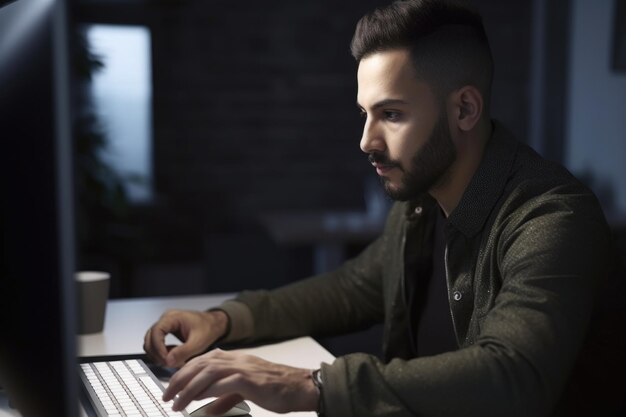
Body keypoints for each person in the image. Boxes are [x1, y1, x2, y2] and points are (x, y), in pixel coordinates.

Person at [144, 1, 624, 416]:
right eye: (365, 114)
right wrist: (225, 320)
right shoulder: (421, 201)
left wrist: (310, 386)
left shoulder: (553, 218)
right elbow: (353, 288)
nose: (366, 141)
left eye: (391, 114)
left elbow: (513, 376)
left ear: (465, 110)